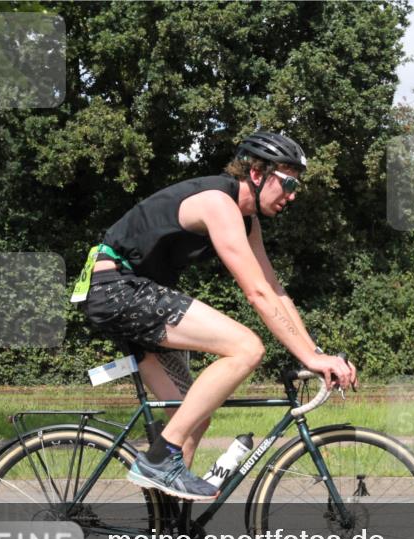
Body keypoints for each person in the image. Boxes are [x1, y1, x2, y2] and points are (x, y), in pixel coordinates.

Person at [74, 131, 357, 501]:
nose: (292, 195)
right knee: (245, 347)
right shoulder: (218, 203)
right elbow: (255, 293)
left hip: (134, 295)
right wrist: (309, 358)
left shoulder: (247, 221)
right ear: (257, 173)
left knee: (191, 416)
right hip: (116, 288)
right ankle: (160, 459)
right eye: (287, 183)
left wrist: (315, 352)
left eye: (296, 187)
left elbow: (275, 291)